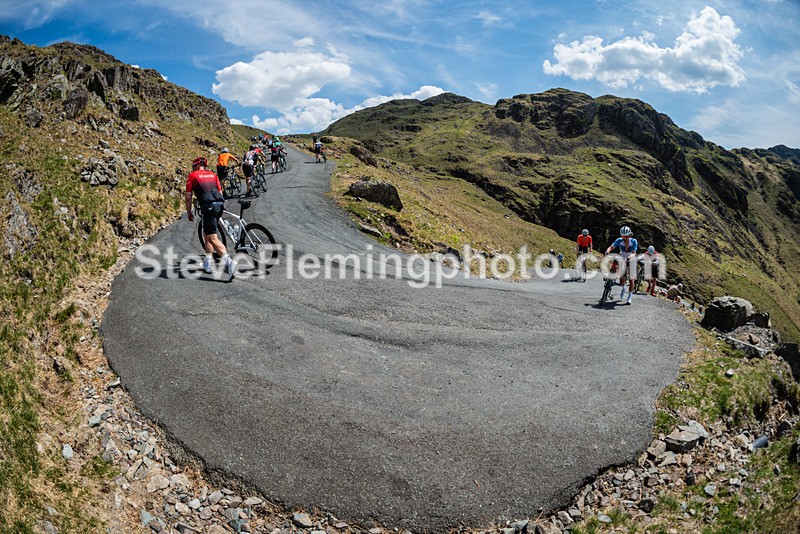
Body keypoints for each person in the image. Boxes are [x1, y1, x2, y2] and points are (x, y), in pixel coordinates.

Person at [185, 156, 236, 281]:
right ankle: (207, 263)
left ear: (197, 165)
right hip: (219, 205)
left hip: (208, 207)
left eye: (194, 166)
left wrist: (189, 212)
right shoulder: (213, 175)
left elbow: (188, 197)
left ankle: (230, 263)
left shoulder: (192, 175)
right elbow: (220, 192)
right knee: (208, 234)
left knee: (213, 238)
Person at [604, 226, 638, 305]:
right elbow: (611, 247)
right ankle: (623, 287)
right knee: (622, 280)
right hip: (623, 257)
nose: (624, 238)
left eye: (626, 236)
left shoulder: (633, 241)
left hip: (631, 258)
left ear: (629, 235)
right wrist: (607, 252)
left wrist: (629, 258)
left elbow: (634, 253)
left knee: (631, 279)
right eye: (623, 236)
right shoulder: (619, 240)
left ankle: (629, 297)